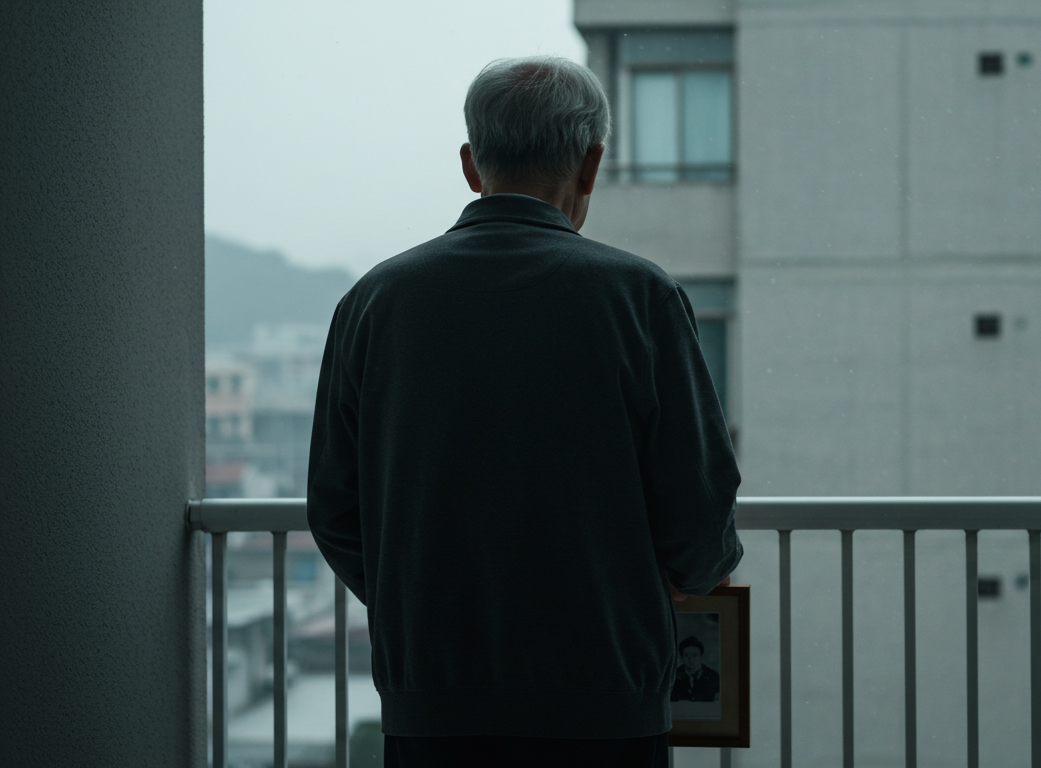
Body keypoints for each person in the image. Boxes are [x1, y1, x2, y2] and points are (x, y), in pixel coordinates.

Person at [307, 55, 742, 768]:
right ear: (591, 165)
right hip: (606, 705)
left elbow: (333, 509)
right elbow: (700, 514)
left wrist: (413, 598)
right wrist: (676, 580)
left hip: (432, 706)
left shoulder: (375, 302)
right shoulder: (640, 298)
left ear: (471, 165)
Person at [670, 636, 721, 703]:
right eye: (686, 655)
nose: (691, 660)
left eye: (694, 655)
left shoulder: (713, 676)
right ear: (681, 657)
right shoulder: (673, 676)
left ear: (701, 656)